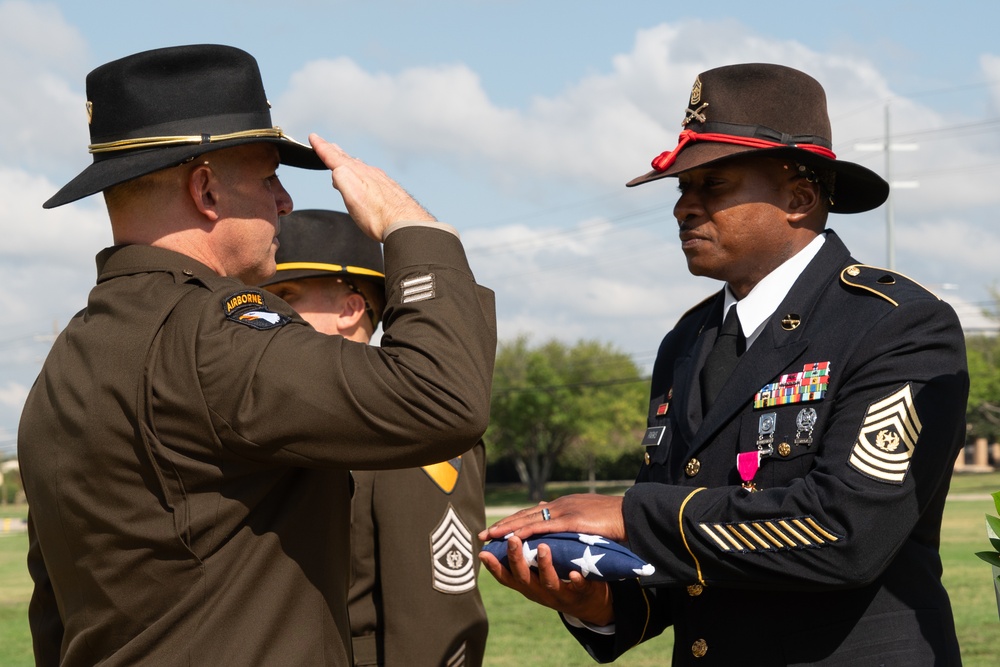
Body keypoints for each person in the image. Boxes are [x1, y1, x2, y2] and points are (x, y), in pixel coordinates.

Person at [18, 44, 496, 667]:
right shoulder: (211, 331)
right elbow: (439, 400)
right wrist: (414, 229)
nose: (285, 202)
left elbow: (56, 612)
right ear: (206, 189)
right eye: (270, 176)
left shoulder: (68, 361)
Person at [479, 63, 968, 666]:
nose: (685, 208)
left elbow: (846, 532)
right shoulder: (687, 340)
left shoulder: (896, 323)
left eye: (713, 186)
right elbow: (683, 563)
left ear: (800, 197)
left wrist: (629, 515)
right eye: (683, 189)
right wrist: (597, 602)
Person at [258, 209, 489, 667]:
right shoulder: (287, 416)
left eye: (286, 296)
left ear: (350, 309)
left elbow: (431, 619)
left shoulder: (404, 428)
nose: (269, 313)